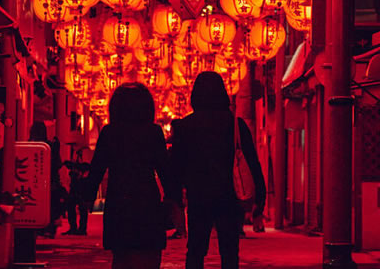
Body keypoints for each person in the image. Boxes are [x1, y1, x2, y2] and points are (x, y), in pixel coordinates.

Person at [168, 72, 265, 269]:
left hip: (199, 197)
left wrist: (176, 198)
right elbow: (252, 163)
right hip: (229, 197)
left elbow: (175, 166)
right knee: (230, 252)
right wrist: (259, 201)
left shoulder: (184, 126)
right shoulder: (236, 125)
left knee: (195, 250)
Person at [80, 83, 172, 269]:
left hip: (119, 196)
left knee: (121, 255)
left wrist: (88, 196)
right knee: (148, 252)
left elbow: (97, 168)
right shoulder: (153, 132)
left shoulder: (110, 132)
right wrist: (173, 198)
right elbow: (164, 169)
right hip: (147, 197)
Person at [29, 121, 64, 238]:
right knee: (50, 206)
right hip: (50, 182)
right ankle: (49, 228)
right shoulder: (49, 146)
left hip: (33, 182)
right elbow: (57, 164)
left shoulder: (29, 145)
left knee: (35, 205)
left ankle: (37, 228)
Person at [61, 148, 92, 235]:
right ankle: (73, 227)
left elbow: (87, 166)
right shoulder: (73, 152)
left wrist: (75, 166)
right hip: (74, 184)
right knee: (71, 206)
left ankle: (82, 229)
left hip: (82, 184)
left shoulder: (85, 152)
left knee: (82, 207)